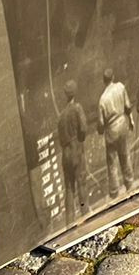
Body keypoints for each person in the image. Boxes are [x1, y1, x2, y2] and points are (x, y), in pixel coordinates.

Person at [97, 68, 134, 195]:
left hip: (111, 131)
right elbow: (128, 106)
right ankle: (129, 183)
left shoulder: (102, 99)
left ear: (104, 81)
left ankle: (114, 190)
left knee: (112, 161)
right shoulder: (120, 87)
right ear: (113, 77)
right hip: (122, 125)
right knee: (125, 155)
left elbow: (101, 124)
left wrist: (100, 130)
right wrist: (130, 120)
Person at [55, 86, 87, 220]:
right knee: (81, 182)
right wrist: (80, 141)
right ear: (74, 93)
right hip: (76, 150)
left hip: (65, 154)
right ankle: (85, 213)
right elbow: (83, 129)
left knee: (69, 188)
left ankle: (69, 221)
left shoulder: (61, 116)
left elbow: (60, 139)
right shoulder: (77, 108)